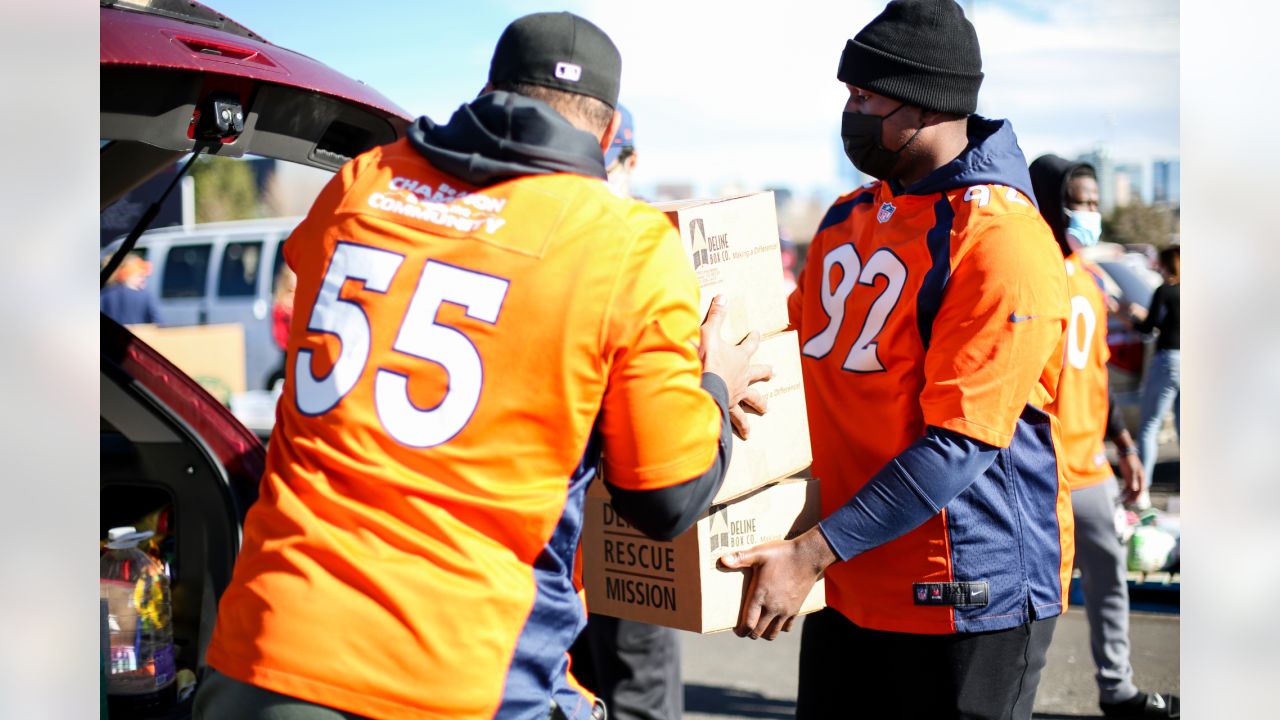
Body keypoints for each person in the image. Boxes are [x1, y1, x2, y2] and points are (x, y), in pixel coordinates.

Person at [195, 12, 768, 720]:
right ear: (610, 132)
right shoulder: (625, 244)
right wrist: (715, 383)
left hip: (266, 647)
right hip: (455, 672)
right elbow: (666, 498)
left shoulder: (359, 184)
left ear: (490, 91)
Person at [719, 2, 1074, 718]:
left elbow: (961, 443)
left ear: (930, 103)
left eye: (865, 97)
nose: (849, 114)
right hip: (848, 579)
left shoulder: (1003, 239)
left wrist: (812, 554)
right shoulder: (846, 217)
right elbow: (791, 363)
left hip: (964, 593)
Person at [1030, 155, 1180, 718]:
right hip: (1041, 468)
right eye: (1079, 202)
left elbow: (1094, 373)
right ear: (1052, 203)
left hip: (1090, 467)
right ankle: (1010, 698)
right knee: (1039, 597)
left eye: (1095, 202)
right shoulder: (1033, 271)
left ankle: (1117, 689)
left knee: (1110, 574)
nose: (1090, 213)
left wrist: (1121, 444)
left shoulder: (1089, 279)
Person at [567, 105, 685, 720]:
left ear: (629, 164)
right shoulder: (560, 238)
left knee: (637, 689)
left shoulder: (649, 247)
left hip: (629, 521)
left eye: (603, 167)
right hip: (556, 539)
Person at [1125, 245, 1180, 509]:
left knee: (1149, 426)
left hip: (1168, 359)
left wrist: (1130, 315)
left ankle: (1142, 489)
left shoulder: (1165, 291)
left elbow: (1148, 328)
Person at [100, 252, 161, 325]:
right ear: (128, 275)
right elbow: (159, 323)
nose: (144, 279)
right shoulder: (144, 296)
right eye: (140, 276)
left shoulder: (104, 295)